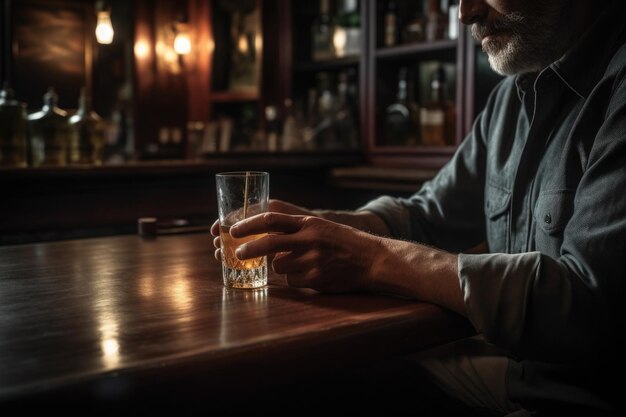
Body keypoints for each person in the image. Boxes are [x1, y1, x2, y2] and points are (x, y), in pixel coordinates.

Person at [212, 0, 626, 415]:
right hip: (521, 374)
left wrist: (371, 259)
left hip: (583, 394)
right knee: (327, 378)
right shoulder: (510, 100)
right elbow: (428, 215)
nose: (466, 13)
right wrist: (315, 224)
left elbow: (586, 303)